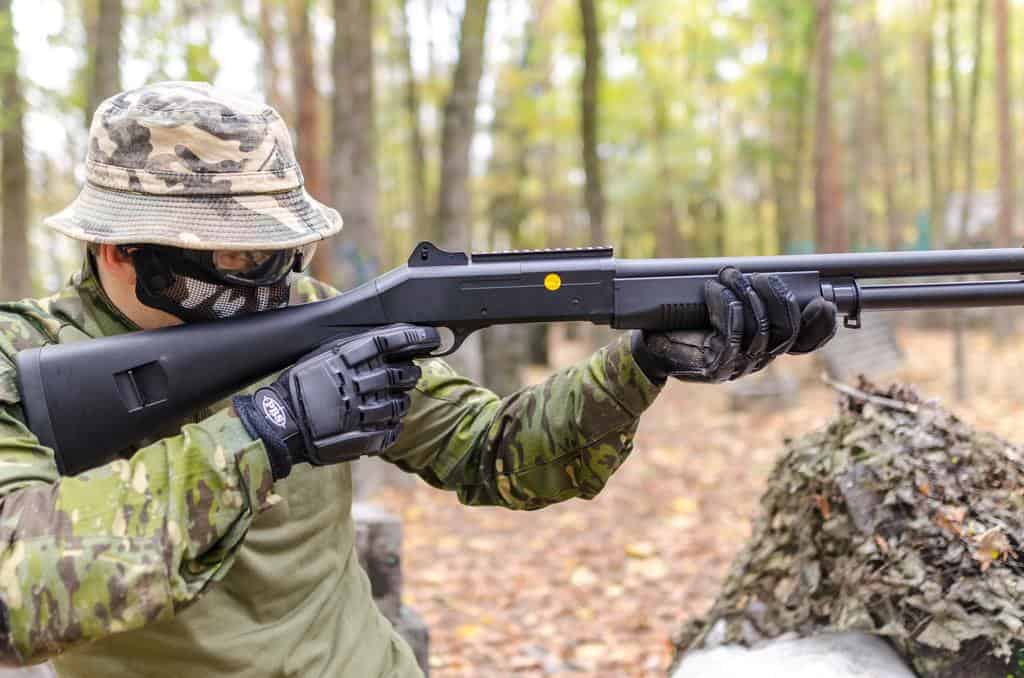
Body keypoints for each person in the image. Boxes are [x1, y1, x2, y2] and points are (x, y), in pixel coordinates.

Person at [0, 82, 837, 677]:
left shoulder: (316, 317)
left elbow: (504, 455)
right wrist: (264, 431)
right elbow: (22, 594)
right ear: (118, 248)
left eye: (282, 257)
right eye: (229, 261)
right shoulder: (22, 363)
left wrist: (642, 363)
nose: (267, 288)